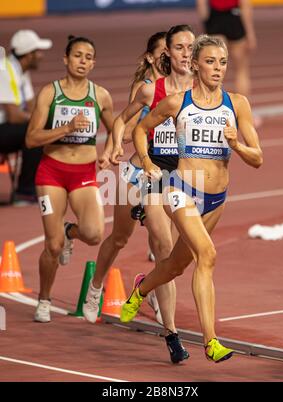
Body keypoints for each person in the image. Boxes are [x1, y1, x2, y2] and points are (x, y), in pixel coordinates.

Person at [121, 34, 263, 363]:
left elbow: (258, 158)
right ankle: (211, 342)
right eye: (211, 61)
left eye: (223, 62)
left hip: (216, 199)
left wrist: (237, 145)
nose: (218, 68)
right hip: (181, 189)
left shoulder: (237, 104)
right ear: (196, 65)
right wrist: (146, 161)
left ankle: (141, 289)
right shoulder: (177, 103)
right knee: (208, 256)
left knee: (174, 266)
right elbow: (139, 131)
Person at [83, 25, 195, 364]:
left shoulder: (195, 89)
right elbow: (124, 124)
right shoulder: (146, 88)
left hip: (167, 176)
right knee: (119, 238)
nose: (175, 56)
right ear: (157, 56)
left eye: (179, 50)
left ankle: (171, 333)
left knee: (165, 248)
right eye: (168, 51)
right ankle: (96, 287)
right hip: (134, 173)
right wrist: (115, 144)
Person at [25, 35, 114, 323]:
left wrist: (109, 152)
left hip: (84, 174)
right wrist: (65, 128)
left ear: (93, 63)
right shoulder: (50, 94)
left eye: (88, 57)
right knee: (52, 246)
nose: (83, 61)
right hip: (51, 172)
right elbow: (31, 138)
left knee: (94, 234)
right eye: (78, 55)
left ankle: (69, 232)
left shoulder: (99, 95)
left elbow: (116, 129)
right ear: (66, 59)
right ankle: (44, 300)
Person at [0, 30, 52, 204]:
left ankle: (32, 186)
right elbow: (14, 116)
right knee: (35, 133)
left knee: (41, 128)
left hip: (5, 127)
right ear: (28, 55)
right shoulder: (4, 71)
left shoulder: (20, 70)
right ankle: (24, 191)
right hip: (3, 126)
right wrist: (42, 123)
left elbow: (32, 107)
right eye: (38, 51)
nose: (42, 55)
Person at [197, 0, 256, 99]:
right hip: (234, 19)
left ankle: (213, 109)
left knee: (213, 71)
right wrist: (250, 34)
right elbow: (245, 5)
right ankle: (242, 110)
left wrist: (206, 26)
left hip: (215, 20)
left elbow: (201, 4)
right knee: (241, 70)